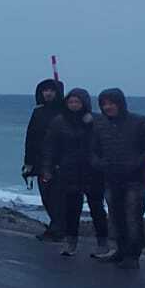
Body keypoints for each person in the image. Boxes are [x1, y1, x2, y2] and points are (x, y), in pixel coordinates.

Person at [90, 88, 145, 266]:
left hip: (134, 180)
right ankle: (120, 250)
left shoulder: (140, 122)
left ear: (120, 103)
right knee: (115, 217)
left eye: (111, 103)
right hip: (111, 179)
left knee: (133, 217)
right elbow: (92, 150)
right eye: (104, 104)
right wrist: (99, 164)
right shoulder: (100, 125)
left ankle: (132, 256)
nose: (108, 107)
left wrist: (135, 165)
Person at [41, 89, 103, 257]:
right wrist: (47, 168)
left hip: (93, 170)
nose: (74, 105)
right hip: (69, 170)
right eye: (71, 102)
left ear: (84, 103)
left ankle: (102, 243)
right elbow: (50, 146)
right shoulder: (60, 121)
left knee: (96, 207)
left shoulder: (95, 120)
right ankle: (71, 242)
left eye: (77, 102)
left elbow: (104, 144)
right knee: (71, 208)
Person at [23, 78, 65, 240]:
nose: (48, 93)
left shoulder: (64, 111)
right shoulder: (38, 112)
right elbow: (31, 137)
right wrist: (28, 161)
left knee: (58, 196)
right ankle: (55, 226)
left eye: (51, 90)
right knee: (46, 194)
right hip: (40, 160)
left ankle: (59, 228)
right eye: (45, 90)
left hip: (59, 161)